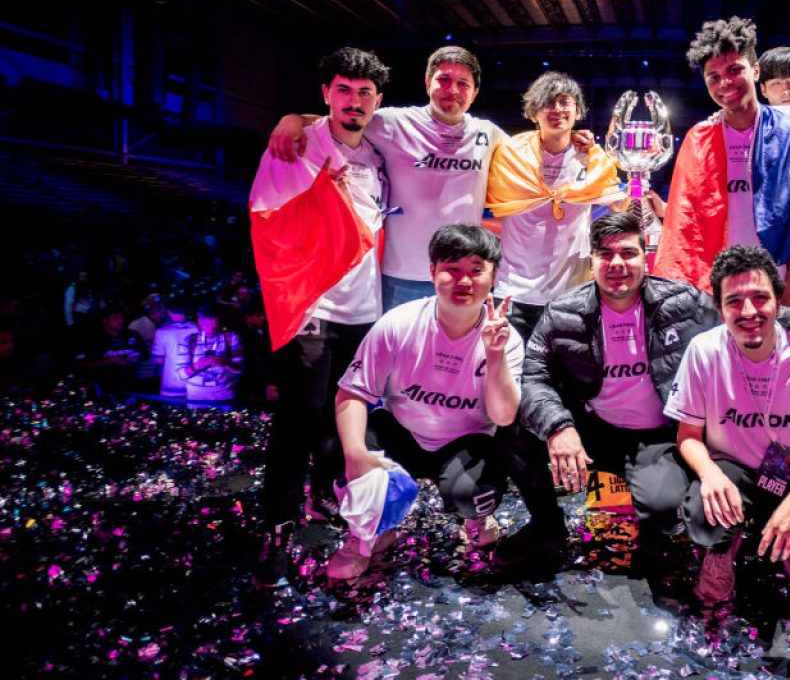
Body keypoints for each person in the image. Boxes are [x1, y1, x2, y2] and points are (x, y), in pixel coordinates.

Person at [499, 215, 790, 571]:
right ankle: (547, 527)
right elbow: (534, 375)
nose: (617, 264)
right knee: (514, 431)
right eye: (606, 254)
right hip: (591, 427)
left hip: (655, 436)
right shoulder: (563, 312)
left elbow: (746, 312)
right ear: (592, 262)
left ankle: (656, 542)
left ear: (645, 258)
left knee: (663, 506)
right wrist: (558, 426)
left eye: (628, 253)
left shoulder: (682, 302)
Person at [268, 46, 593, 310]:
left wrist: (572, 137)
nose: (453, 90)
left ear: (475, 92)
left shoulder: (489, 134)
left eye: (463, 83)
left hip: (464, 276)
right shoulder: (393, 123)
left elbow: (537, 149)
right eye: (444, 80)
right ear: (428, 83)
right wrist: (293, 120)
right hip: (402, 277)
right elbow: (341, 120)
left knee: (457, 365)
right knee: (400, 366)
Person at [250, 47, 391, 587]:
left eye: (364, 93)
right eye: (343, 90)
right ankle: (277, 527)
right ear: (326, 94)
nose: (354, 101)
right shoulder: (299, 144)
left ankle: (323, 494)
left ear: (377, 100)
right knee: (298, 418)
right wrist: (294, 122)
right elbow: (268, 216)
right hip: (313, 306)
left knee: (345, 415)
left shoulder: (377, 153)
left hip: (365, 309)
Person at [326, 224, 522, 580]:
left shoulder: (506, 337)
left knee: (471, 494)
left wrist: (495, 355)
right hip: (403, 431)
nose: (464, 280)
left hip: (466, 441)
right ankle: (369, 533)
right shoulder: (398, 324)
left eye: (476, 270)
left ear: (494, 276)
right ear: (432, 272)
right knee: (342, 455)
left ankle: (477, 518)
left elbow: (504, 415)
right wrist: (356, 457)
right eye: (452, 269)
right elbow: (352, 392)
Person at [665, 245, 790, 621]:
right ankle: (721, 552)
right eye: (734, 301)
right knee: (704, 504)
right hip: (734, 469)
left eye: (760, 297)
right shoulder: (703, 351)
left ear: (779, 304)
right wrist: (710, 473)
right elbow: (688, 436)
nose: (748, 311)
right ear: (720, 311)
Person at [654, 17, 790, 306]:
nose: (725, 83)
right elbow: (684, 228)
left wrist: (789, 304)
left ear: (755, 70)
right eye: (714, 77)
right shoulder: (698, 139)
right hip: (713, 290)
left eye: (735, 70)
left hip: (775, 285)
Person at [485, 71, 628, 340]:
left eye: (565, 102)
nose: (557, 109)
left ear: (577, 111)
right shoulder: (509, 154)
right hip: (514, 292)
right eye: (548, 103)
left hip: (571, 294)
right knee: (510, 365)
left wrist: (641, 180)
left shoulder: (591, 157)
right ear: (533, 112)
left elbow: (623, 208)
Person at [177, 303, 243, 407]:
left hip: (225, 397)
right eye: (206, 326)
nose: (211, 331)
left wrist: (225, 363)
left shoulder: (231, 338)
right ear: (199, 321)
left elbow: (240, 369)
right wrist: (197, 366)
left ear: (220, 322)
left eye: (215, 327)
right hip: (196, 399)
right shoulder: (188, 341)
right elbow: (181, 375)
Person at [151, 298, 197, 399]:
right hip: (195, 384)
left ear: (169, 312)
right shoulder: (196, 328)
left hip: (171, 386)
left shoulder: (162, 332)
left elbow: (159, 360)